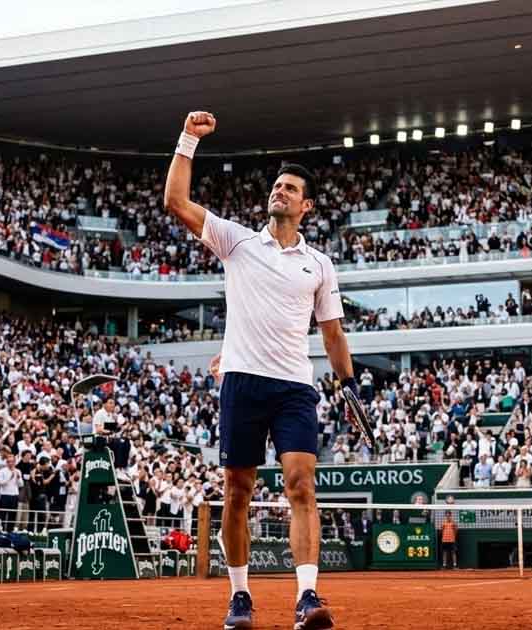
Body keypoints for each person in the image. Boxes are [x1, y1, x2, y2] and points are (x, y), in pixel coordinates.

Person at [165, 111, 352, 630]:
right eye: (276, 186)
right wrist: (188, 139)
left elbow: (333, 333)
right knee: (237, 490)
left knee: (301, 486)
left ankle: (308, 597)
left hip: (295, 386)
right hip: (243, 381)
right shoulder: (236, 241)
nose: (280, 192)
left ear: (306, 205)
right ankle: (240, 597)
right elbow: (176, 202)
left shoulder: (319, 264)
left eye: (290, 188)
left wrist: (349, 383)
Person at [0, 446, 23, 532]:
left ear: (14, 462)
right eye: (9, 462)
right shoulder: (2, 471)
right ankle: (0, 531)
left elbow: (21, 484)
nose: (11, 463)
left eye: (12, 462)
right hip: (5, 495)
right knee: (2, 514)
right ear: (6, 462)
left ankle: (10, 532)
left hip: (14, 495)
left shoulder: (18, 471)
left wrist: (18, 478)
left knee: (12, 515)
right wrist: (9, 479)